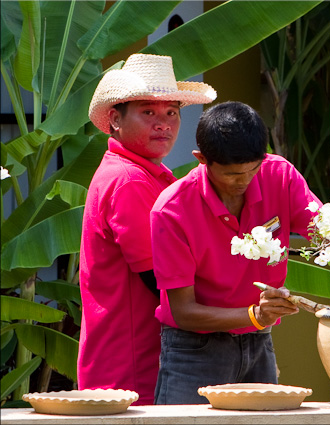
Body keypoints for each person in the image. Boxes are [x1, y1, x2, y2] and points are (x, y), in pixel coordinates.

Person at [150, 101, 330, 404]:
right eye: (232, 174)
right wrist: (255, 314)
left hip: (259, 342)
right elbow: (183, 311)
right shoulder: (172, 210)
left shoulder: (279, 174)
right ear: (202, 159)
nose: (244, 180)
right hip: (192, 351)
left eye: (253, 169)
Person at [78, 53, 217, 405]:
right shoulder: (129, 180)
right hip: (132, 369)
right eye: (148, 113)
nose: (164, 124)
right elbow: (160, 281)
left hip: (129, 364)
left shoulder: (145, 174)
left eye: (171, 112)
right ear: (114, 120)